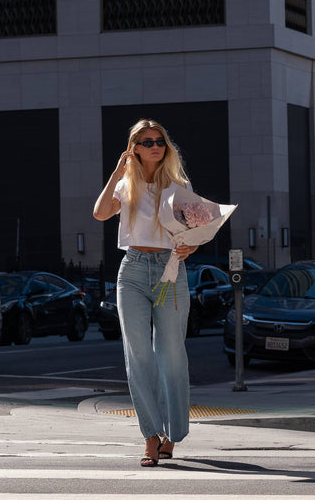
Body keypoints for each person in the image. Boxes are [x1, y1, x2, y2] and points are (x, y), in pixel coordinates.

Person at [93, 119, 197, 467]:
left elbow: (196, 230)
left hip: (170, 269)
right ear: (135, 148)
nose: (155, 146)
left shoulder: (178, 186)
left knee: (171, 354)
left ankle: (173, 434)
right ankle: (150, 437)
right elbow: (100, 212)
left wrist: (189, 248)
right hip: (133, 270)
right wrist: (117, 171)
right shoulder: (126, 184)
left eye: (160, 141)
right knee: (138, 355)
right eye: (147, 141)